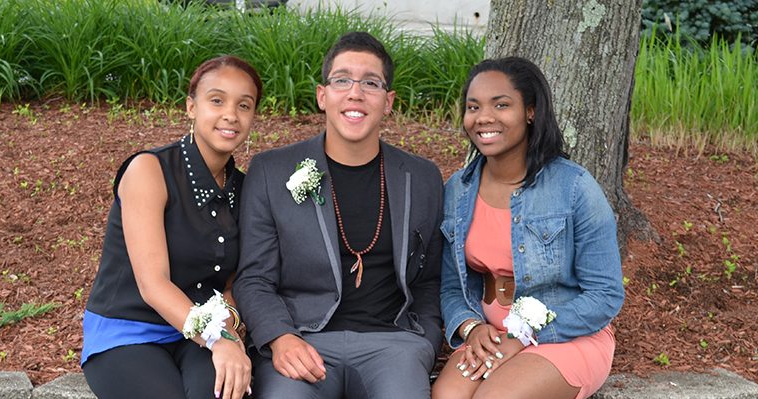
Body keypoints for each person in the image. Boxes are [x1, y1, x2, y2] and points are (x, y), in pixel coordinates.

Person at [233, 31, 443, 399]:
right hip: (301, 340)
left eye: (371, 83)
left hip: (394, 344)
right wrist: (280, 337)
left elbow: (430, 278)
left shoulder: (421, 177)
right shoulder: (271, 171)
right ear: (322, 95)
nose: (355, 93)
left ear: (389, 101)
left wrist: (425, 339)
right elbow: (254, 278)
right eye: (342, 80)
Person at [432, 57, 625, 399]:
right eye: (473, 106)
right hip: (490, 334)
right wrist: (471, 326)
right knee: (447, 396)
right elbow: (451, 287)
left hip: (567, 336)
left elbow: (605, 295)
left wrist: (522, 335)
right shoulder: (457, 191)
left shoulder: (574, 188)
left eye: (501, 105)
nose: (484, 117)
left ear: (530, 112)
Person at [81, 55, 263, 399]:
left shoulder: (245, 188)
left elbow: (233, 283)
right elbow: (153, 284)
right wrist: (218, 339)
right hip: (129, 330)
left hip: (199, 335)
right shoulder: (149, 170)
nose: (231, 115)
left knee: (227, 391)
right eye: (217, 100)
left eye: (245, 105)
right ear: (191, 107)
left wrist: (230, 327)